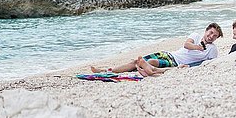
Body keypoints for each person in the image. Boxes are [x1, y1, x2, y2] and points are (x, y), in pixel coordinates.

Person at [90, 23, 223, 74]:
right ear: (206, 31)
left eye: (214, 36)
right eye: (210, 33)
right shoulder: (196, 35)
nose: (211, 36)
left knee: (149, 62)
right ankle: (107, 70)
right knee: (136, 61)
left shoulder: (212, 49)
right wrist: (198, 47)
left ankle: (140, 70)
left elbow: (209, 63)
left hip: (176, 62)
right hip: (169, 54)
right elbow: (186, 45)